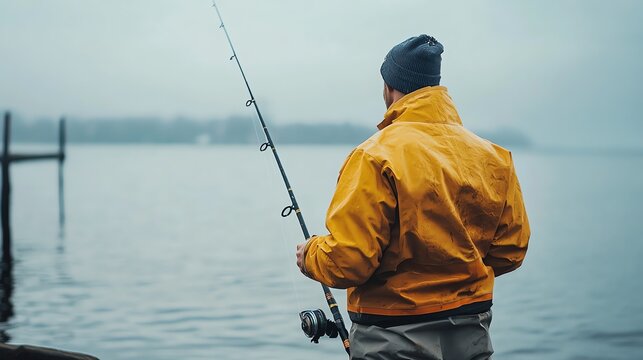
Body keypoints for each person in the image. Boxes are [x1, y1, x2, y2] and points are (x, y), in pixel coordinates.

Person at [296, 34, 530, 360]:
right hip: (470, 330)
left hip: (393, 336)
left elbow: (349, 262)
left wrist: (310, 255)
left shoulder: (374, 156)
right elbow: (510, 251)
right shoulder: (494, 157)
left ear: (390, 87)